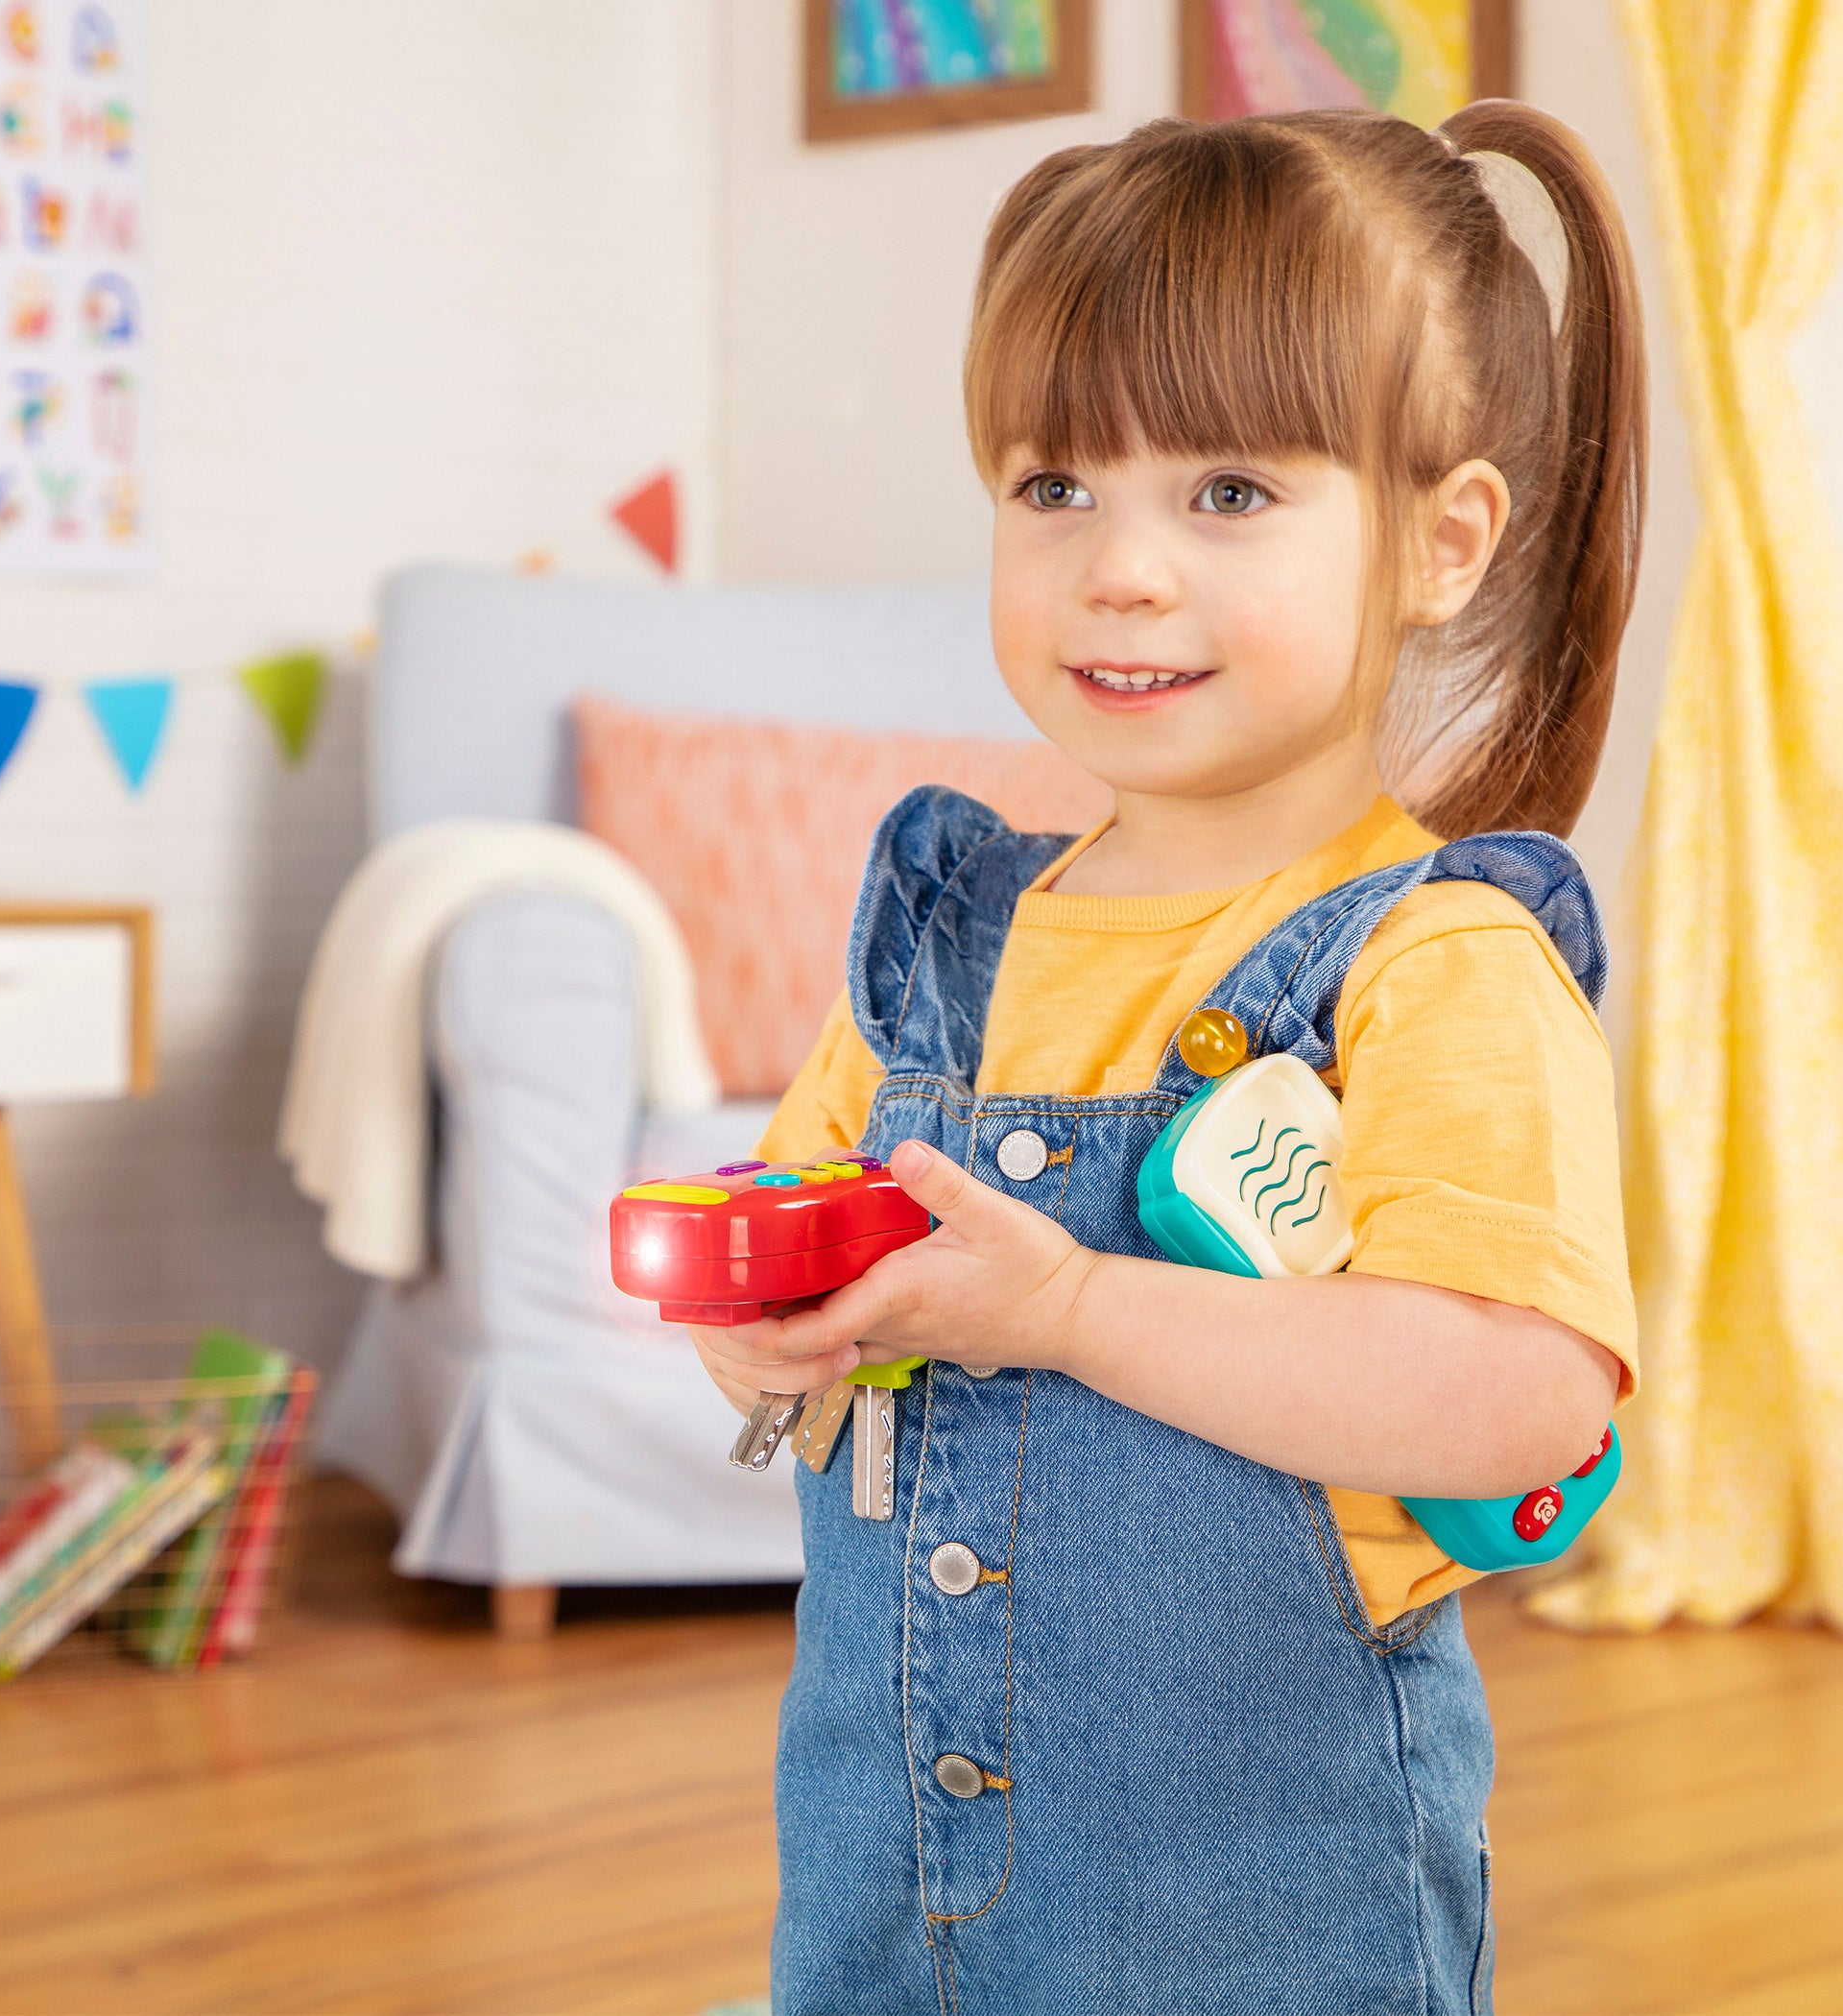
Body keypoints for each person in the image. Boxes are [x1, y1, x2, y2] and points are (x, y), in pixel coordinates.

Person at [691, 103, 1645, 2015]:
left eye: (1227, 492)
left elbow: (1521, 1401)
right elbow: (793, 1236)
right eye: (1054, 485)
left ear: (1443, 541)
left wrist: (1068, 1309)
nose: (1118, 569)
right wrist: (765, 1328)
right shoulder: (940, 938)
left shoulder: (1434, 960)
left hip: (1261, 1933)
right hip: (885, 1906)